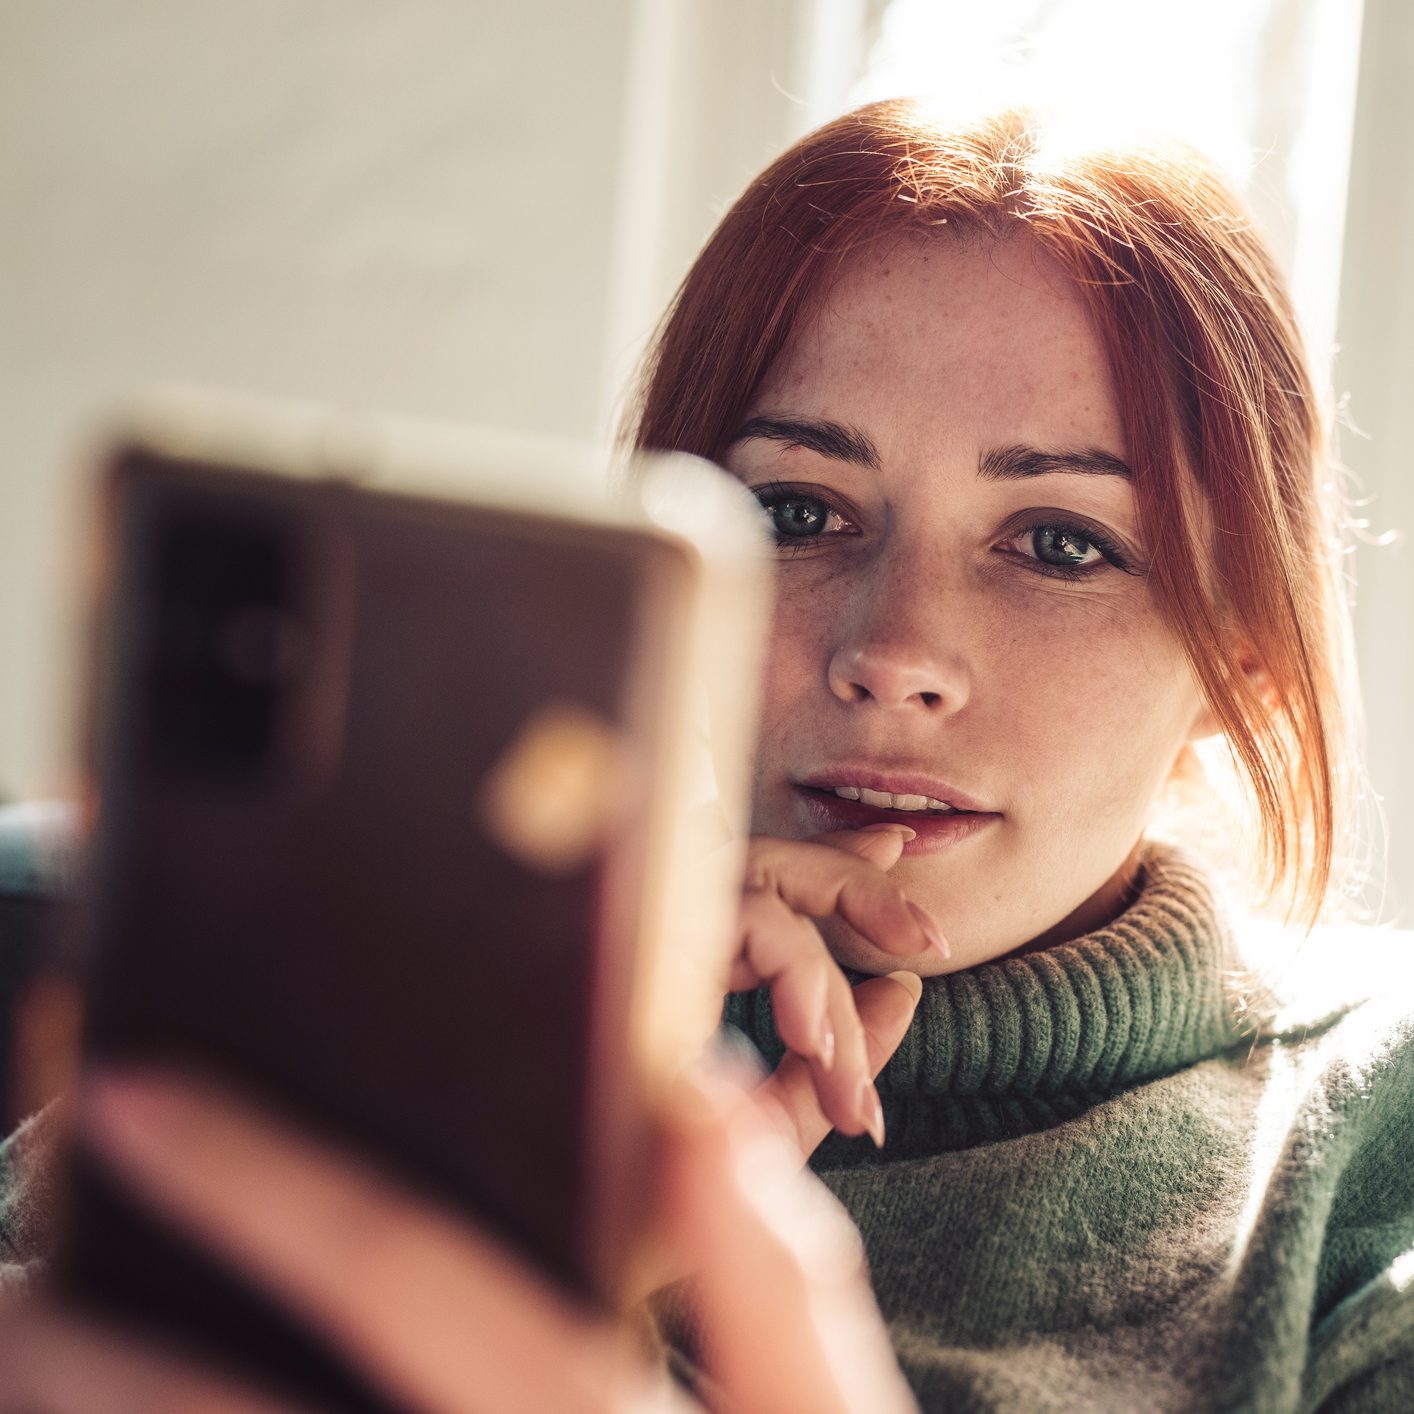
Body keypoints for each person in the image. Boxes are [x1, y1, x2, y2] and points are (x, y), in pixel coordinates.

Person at [2, 97, 1412, 1411]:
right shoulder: (430, 1006)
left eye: (1058, 543)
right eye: (799, 512)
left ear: (1239, 663)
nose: (894, 648)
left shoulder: (1371, 1153)